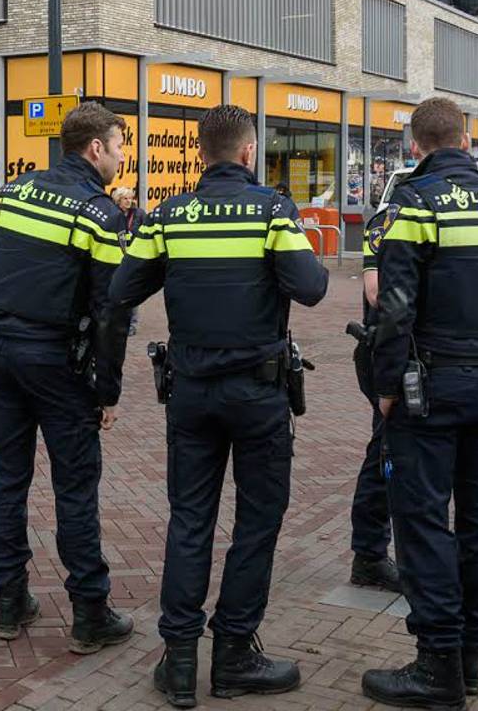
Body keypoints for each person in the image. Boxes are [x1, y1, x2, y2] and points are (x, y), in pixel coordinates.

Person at [110, 105, 328, 708]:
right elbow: (311, 288)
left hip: (192, 394)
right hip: (258, 395)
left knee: (190, 521)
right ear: (249, 152)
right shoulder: (272, 210)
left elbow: (122, 289)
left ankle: (179, 663)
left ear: (202, 154)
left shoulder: (169, 215)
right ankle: (233, 655)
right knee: (257, 522)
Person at [362, 97, 478, 709]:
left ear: (417, 144)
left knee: (420, 522)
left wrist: (386, 387)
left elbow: (394, 307)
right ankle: (471, 660)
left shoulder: (415, 204)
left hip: (430, 390)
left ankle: (436, 664)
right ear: (465, 140)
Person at [0, 101, 133, 655]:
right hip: (59, 365)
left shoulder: (11, 193)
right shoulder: (99, 213)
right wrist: (107, 391)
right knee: (75, 488)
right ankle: (90, 613)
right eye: (119, 147)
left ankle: (10, 601)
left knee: (8, 479)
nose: (121, 158)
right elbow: (111, 313)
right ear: (95, 149)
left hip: (4, 358)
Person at [347, 198, 401, 594]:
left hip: (412, 351)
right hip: (387, 350)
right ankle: (369, 555)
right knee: (386, 449)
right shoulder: (391, 217)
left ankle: (372, 554)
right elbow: (375, 291)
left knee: (390, 448)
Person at [111, 187, 145, 336]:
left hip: (133, 257)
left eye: (131, 198)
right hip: (115, 256)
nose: (129, 201)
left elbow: (145, 232)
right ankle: (117, 320)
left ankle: (132, 324)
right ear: (118, 200)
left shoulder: (139, 214)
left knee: (131, 289)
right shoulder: (113, 215)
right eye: (125, 198)